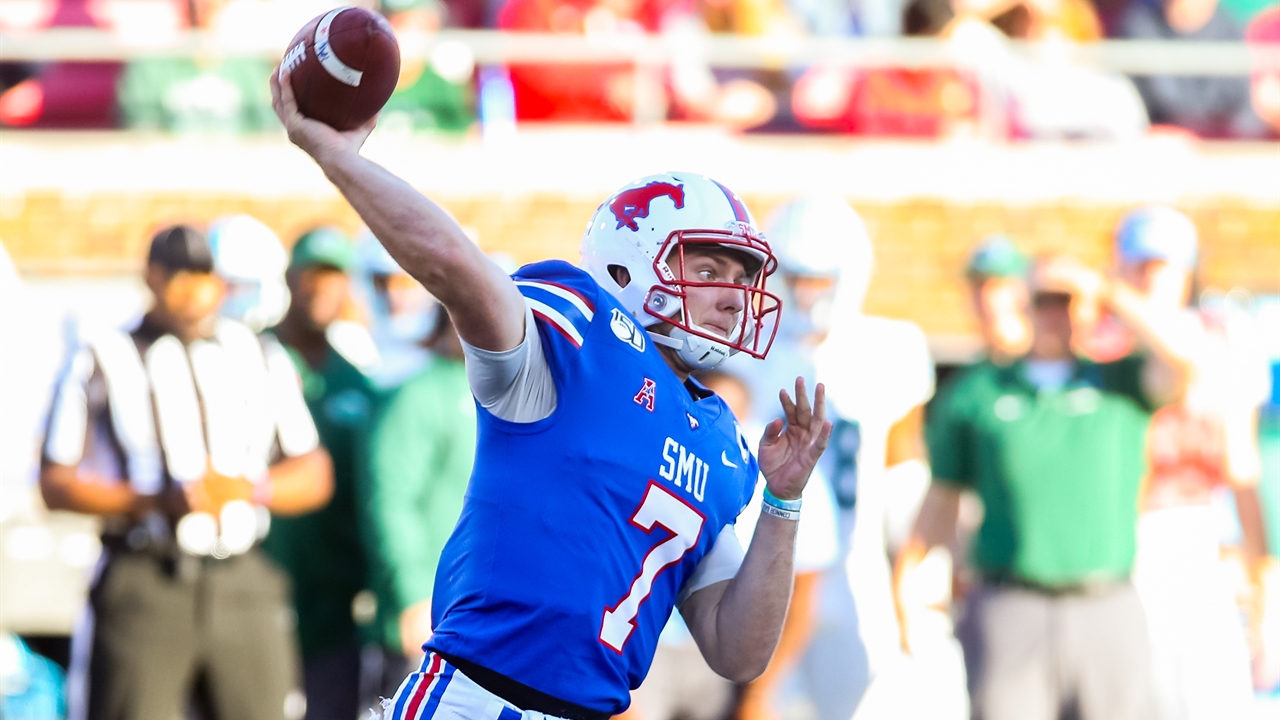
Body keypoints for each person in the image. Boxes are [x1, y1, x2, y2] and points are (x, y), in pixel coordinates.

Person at [271, 66, 832, 720]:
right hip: (474, 697)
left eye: (739, 278)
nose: (730, 298)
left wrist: (783, 503)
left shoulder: (721, 443)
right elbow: (452, 265)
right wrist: (340, 161)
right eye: (707, 270)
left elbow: (737, 651)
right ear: (627, 263)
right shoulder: (577, 336)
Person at [41, 224, 334, 720]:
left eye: (205, 278)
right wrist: (152, 499)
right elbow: (56, 483)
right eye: (181, 280)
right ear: (153, 279)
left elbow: (313, 471)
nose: (195, 294)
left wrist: (247, 489)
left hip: (241, 576)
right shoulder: (102, 354)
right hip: (146, 575)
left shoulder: (257, 355)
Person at [893, 254, 1194, 720]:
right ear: (1024, 305)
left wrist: (1106, 289)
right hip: (1011, 602)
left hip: (1105, 602)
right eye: (1044, 300)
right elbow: (943, 496)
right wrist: (906, 581)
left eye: (1068, 301)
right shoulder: (979, 391)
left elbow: (1184, 357)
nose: (1057, 313)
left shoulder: (1120, 383)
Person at [1090, 207, 1275, 720]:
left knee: (1207, 698)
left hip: (1192, 534)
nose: (1149, 278)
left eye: (1162, 265)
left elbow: (1240, 464)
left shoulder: (1218, 338)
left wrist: (1262, 569)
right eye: (1138, 266)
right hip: (1112, 538)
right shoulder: (1097, 344)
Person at [263, 227, 380, 720]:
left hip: (331, 604)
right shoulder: (247, 357)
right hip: (255, 587)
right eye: (312, 274)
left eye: (334, 277)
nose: (322, 288)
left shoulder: (355, 380)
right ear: (290, 278)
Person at [359, 302, 478, 701]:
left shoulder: (514, 397)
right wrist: (411, 593)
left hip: (492, 622)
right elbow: (391, 500)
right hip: (434, 617)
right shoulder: (421, 394)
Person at [965, 235, 1031, 365]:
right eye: (977, 285)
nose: (984, 295)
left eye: (995, 285)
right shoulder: (975, 370)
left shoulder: (1041, 363)